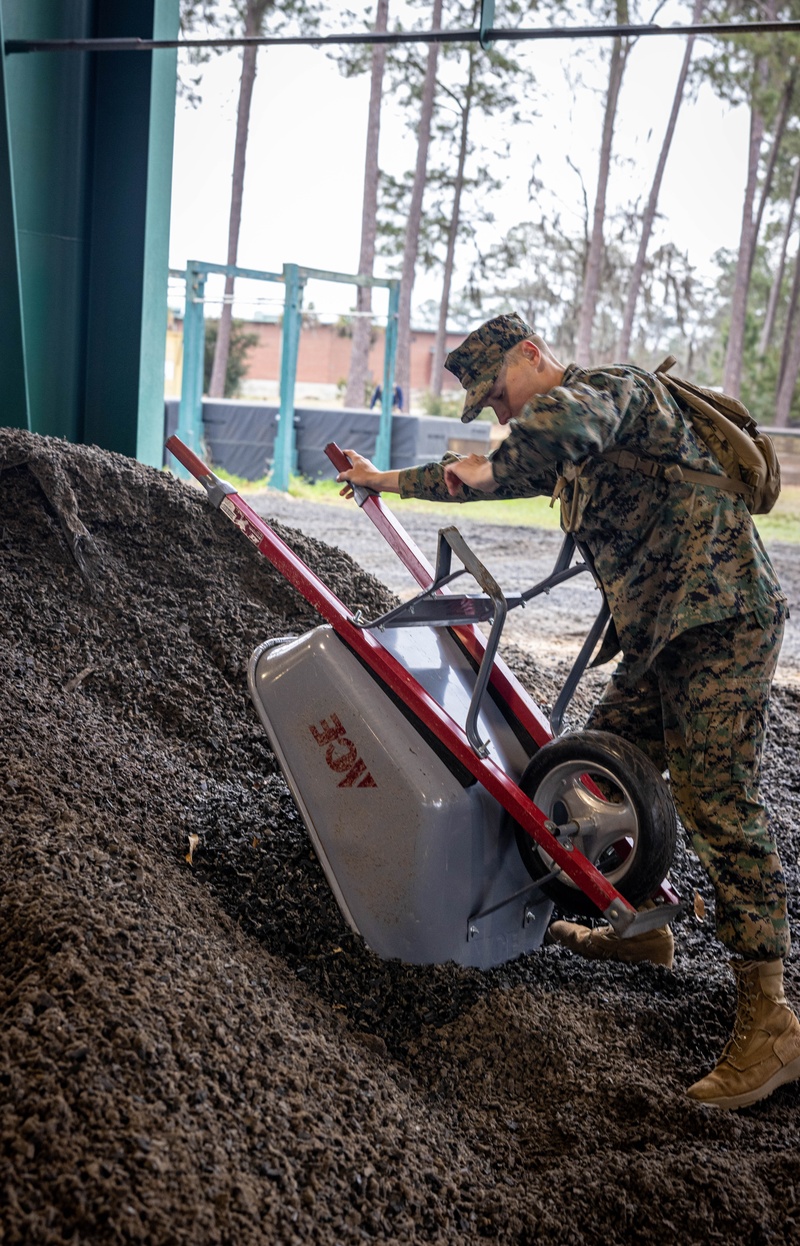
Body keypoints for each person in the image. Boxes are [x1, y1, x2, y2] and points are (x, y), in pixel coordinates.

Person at [337, 311, 800, 1111]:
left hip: (721, 622)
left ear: (531, 352)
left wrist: (494, 459)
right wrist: (384, 482)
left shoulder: (612, 394)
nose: (502, 413)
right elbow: (489, 471)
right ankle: (644, 927)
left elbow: (547, 436)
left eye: (500, 393)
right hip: (665, 635)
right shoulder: (562, 436)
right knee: (606, 759)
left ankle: (771, 1022)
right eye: (488, 408)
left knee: (717, 799)